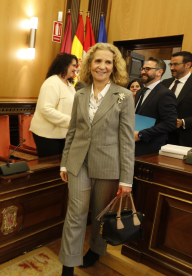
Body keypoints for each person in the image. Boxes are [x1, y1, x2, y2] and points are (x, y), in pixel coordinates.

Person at [58, 43, 135, 276]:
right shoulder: (79, 94)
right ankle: (68, 265)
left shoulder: (124, 96)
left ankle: (95, 249)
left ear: (114, 67)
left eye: (107, 62)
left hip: (109, 164)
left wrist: (126, 179)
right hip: (78, 162)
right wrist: (64, 162)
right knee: (76, 212)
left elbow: (127, 141)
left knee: (101, 212)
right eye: (97, 61)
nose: (102, 66)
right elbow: (72, 131)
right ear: (89, 65)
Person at [29, 53, 78, 158]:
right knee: (49, 167)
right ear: (64, 65)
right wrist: (70, 121)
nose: (75, 68)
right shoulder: (52, 83)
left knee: (60, 166)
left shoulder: (69, 85)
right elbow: (45, 109)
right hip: (47, 134)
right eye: (73, 65)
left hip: (63, 133)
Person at [135, 57, 177, 157]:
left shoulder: (165, 94)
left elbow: (170, 123)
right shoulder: (140, 91)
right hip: (133, 143)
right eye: (142, 69)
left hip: (150, 146)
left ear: (159, 72)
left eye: (147, 69)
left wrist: (141, 135)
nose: (143, 72)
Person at [162, 51, 192, 148]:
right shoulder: (165, 83)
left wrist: (183, 122)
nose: (171, 68)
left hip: (184, 139)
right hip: (161, 136)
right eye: (171, 64)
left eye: (175, 64)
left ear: (188, 64)